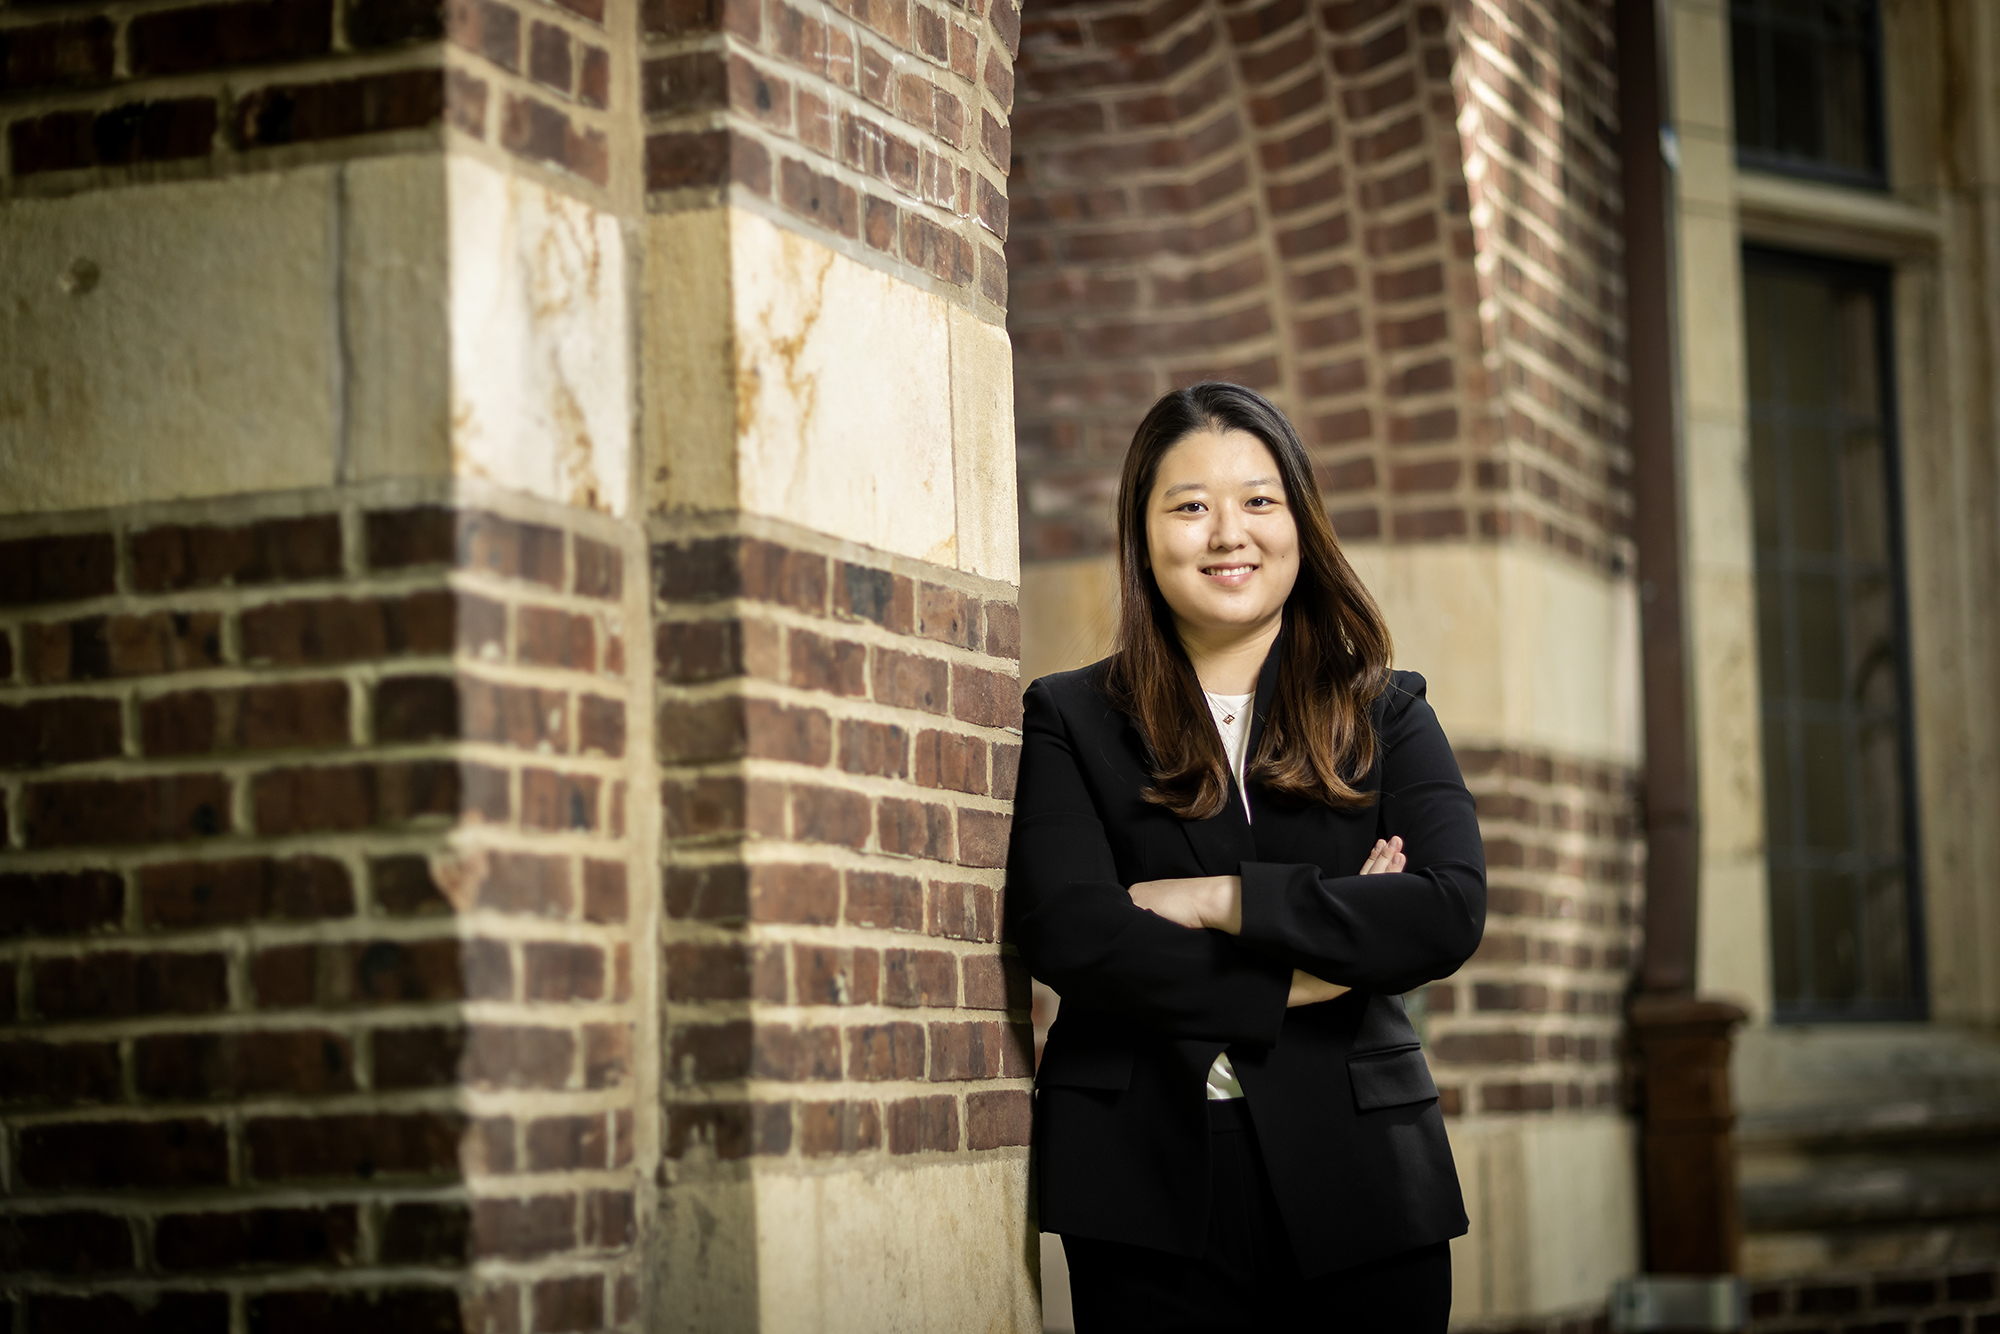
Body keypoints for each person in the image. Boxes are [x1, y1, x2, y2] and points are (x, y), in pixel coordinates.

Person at [1007, 382, 1485, 1331]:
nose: (1229, 533)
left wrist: (1218, 897)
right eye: (1190, 506)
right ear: (1143, 535)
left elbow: (1442, 909)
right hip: (1144, 1185)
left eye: (1259, 501)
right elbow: (1073, 931)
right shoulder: (1070, 718)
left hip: (1363, 1177)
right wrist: (1305, 976)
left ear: (1300, 524)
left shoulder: (1386, 712)